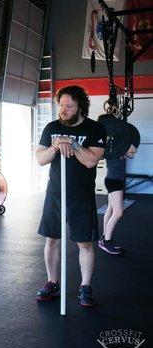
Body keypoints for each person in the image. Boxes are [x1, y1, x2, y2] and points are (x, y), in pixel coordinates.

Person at [35, 85, 106, 307]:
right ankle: (52, 282)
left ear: (80, 107)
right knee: (52, 239)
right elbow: (40, 158)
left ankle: (85, 286)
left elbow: (91, 160)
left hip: (81, 195)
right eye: (61, 105)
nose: (63, 110)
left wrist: (73, 143)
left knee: (84, 243)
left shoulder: (95, 129)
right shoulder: (51, 127)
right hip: (55, 193)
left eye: (69, 106)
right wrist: (56, 145)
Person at [97, 113, 141, 254]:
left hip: (114, 179)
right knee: (118, 211)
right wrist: (127, 147)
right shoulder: (111, 146)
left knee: (110, 209)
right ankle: (106, 241)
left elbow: (131, 154)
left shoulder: (117, 146)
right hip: (114, 180)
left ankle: (104, 237)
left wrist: (125, 147)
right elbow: (133, 150)